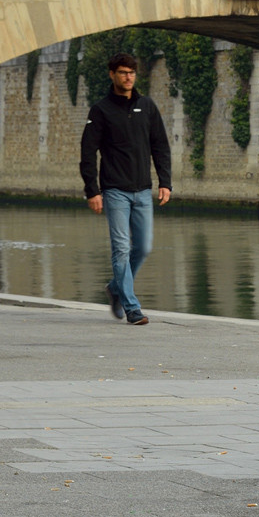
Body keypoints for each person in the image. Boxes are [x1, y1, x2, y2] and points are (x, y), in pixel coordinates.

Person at [79, 52, 172, 325]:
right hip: (114, 191)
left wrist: (165, 182)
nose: (128, 77)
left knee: (142, 247)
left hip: (143, 190)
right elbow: (88, 153)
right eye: (122, 72)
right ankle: (133, 308)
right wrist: (92, 190)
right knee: (120, 248)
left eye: (131, 72)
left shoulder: (147, 106)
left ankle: (115, 288)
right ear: (112, 74)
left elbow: (160, 147)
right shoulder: (101, 110)